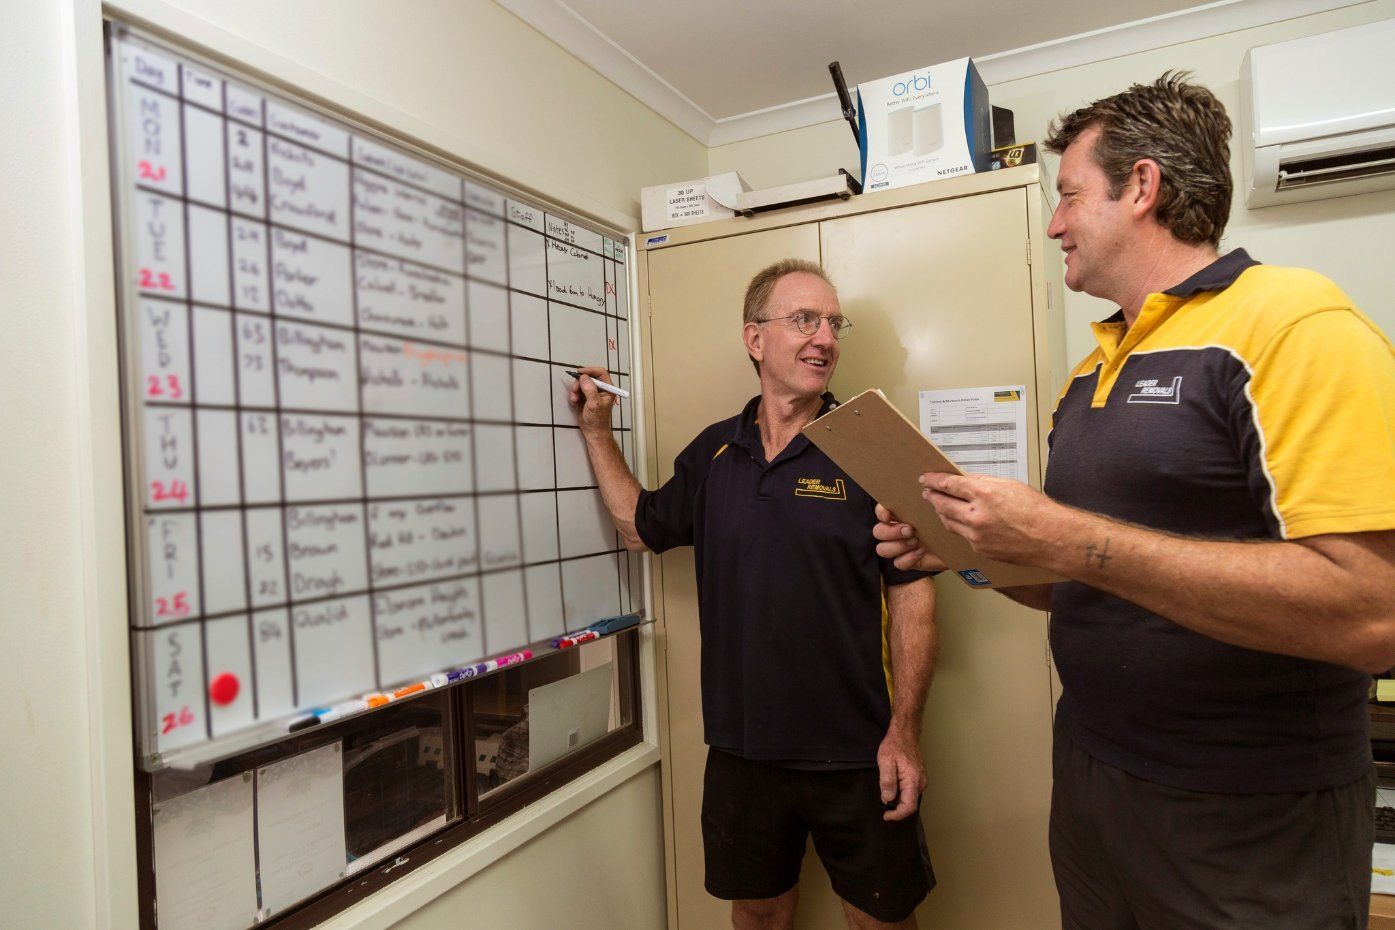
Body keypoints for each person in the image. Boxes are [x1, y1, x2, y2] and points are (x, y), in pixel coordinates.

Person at [874, 72, 1395, 929]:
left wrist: (1070, 538)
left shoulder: (1292, 323)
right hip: (1092, 780)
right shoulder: (1091, 373)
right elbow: (1071, 578)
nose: (1052, 223)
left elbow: (1374, 612)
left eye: (1068, 196)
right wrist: (970, 553)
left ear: (1142, 187)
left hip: (1247, 813)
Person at [569, 259, 938, 929]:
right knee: (759, 912)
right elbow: (638, 525)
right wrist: (595, 431)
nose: (823, 337)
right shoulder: (714, 454)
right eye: (803, 320)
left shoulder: (873, 447)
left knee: (880, 919)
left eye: (832, 323)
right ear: (754, 338)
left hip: (857, 749)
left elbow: (913, 594)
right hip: (742, 751)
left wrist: (904, 732)